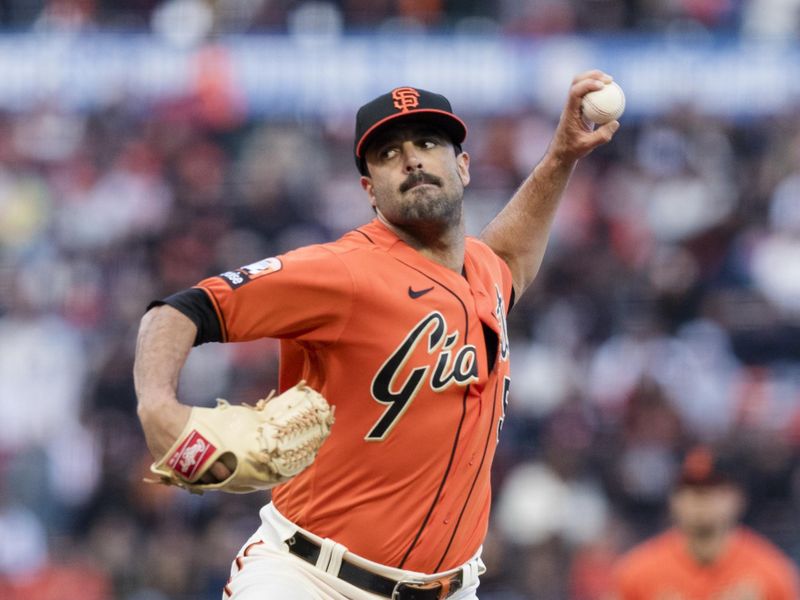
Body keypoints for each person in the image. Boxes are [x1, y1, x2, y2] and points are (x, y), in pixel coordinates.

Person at [134, 72, 619, 600]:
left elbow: (511, 256)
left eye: (428, 144)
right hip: (310, 579)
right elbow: (182, 310)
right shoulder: (341, 271)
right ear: (369, 191)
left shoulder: (485, 272)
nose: (411, 160)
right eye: (388, 154)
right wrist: (157, 406)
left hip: (451, 587)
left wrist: (561, 156)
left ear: (463, 166)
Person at [611, 445, 800, 600]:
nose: (701, 499)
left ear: (738, 497)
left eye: (713, 488)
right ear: (673, 500)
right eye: (691, 489)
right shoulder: (637, 572)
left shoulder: (772, 572)